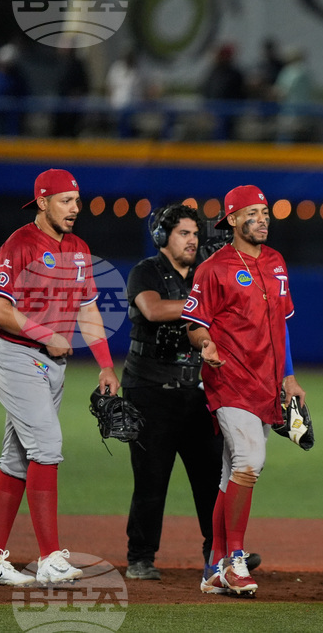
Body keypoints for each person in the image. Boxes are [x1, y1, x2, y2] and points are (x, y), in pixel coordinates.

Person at [0, 168, 120, 586]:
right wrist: (46, 334)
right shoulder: (19, 244)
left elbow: (89, 309)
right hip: (16, 356)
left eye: (77, 201)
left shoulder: (78, 248)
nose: (75, 209)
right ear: (42, 202)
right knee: (48, 446)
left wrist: (106, 364)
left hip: (51, 366)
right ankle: (49, 557)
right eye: (65, 201)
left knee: (18, 459)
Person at [182, 184, 305, 596]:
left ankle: (214, 568)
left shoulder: (276, 262)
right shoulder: (213, 268)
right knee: (250, 462)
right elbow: (194, 323)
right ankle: (234, 560)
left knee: (230, 475)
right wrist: (205, 343)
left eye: (266, 211)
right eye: (252, 212)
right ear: (232, 220)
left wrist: (289, 377)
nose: (263, 218)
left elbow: (283, 326)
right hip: (228, 380)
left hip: (267, 385)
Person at [120, 204, 223, 580]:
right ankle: (140, 558)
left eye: (196, 234)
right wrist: (207, 305)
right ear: (163, 237)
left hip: (196, 392)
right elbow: (153, 309)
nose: (192, 240)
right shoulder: (145, 271)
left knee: (212, 478)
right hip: (149, 390)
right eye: (183, 233)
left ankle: (220, 555)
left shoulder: (203, 273)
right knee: (151, 479)